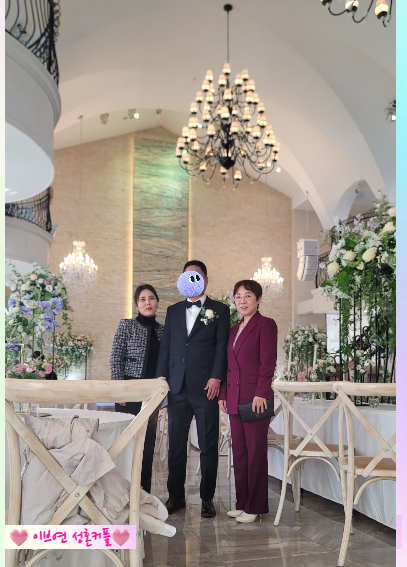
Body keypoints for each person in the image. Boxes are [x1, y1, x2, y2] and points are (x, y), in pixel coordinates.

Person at [156, 260, 230, 518]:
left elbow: (221, 347)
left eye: (197, 277)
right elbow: (166, 346)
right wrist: (161, 378)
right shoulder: (173, 310)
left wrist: (217, 377)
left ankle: (207, 498)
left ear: (205, 280)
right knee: (176, 444)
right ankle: (175, 496)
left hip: (206, 386)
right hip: (177, 386)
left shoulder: (220, 310)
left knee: (208, 444)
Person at [218, 280, 277, 524]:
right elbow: (228, 365)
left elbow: (268, 362)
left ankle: (256, 506)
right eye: (238, 296)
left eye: (248, 296)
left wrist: (261, 392)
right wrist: (223, 393)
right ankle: (242, 503)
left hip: (256, 399)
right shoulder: (234, 329)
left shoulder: (266, 324)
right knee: (240, 453)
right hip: (234, 398)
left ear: (259, 299)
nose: (242, 301)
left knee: (255, 454)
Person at [110, 284, 163, 493]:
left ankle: (143, 492)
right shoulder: (127, 325)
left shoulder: (162, 330)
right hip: (128, 391)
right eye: (142, 299)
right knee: (126, 442)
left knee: (148, 443)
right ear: (136, 304)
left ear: (157, 301)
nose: (147, 302)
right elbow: (116, 357)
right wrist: (119, 389)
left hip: (151, 394)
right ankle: (122, 490)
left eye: (151, 298)